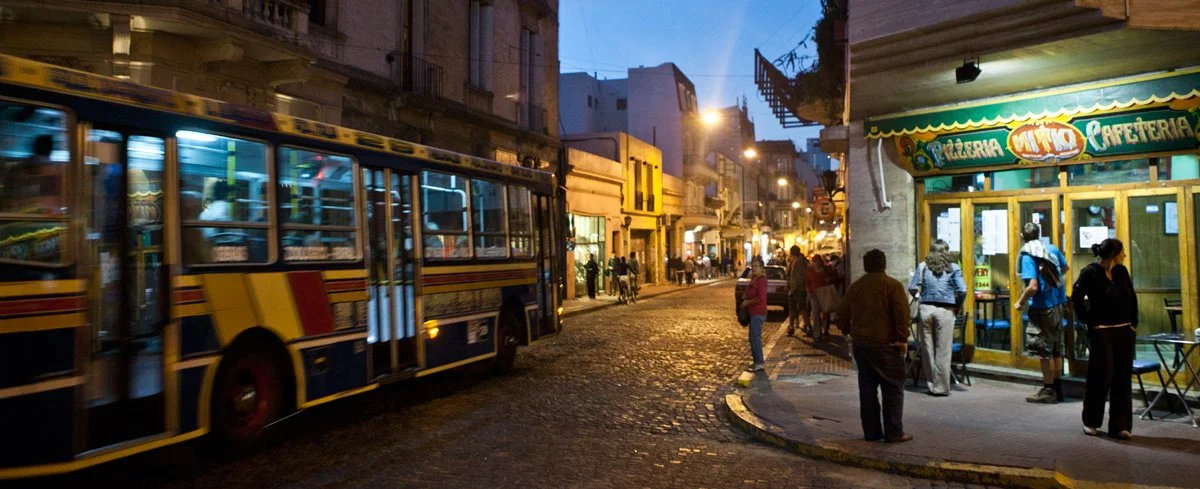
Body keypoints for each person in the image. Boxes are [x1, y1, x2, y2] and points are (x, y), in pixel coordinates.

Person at [836, 249, 913, 443]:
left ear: (865, 266)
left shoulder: (856, 287)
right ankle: (893, 432)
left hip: (861, 343)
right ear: (884, 264)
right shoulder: (892, 286)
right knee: (892, 388)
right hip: (886, 343)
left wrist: (848, 331)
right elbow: (902, 314)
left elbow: (841, 313)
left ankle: (871, 431)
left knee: (867, 389)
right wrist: (902, 339)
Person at [1073, 239, 1137, 439]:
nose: (1124, 255)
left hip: (1123, 331)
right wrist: (1088, 320)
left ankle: (1120, 425)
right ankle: (1091, 421)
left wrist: (1133, 324)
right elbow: (1076, 297)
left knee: (1122, 377)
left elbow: (1132, 298)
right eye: (1122, 252)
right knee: (1100, 376)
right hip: (1101, 332)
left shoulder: (1122, 273)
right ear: (1114, 254)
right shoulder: (1090, 272)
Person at [1016, 222, 1070, 404]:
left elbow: (1032, 287)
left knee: (1043, 349)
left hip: (1042, 308)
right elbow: (1065, 268)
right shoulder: (1051, 249)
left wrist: (1020, 302)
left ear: (1022, 236)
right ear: (1039, 234)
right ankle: (1058, 388)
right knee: (1056, 348)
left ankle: (1048, 390)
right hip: (1058, 304)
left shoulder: (1028, 255)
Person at [907, 239, 967, 397]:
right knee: (943, 350)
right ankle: (940, 387)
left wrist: (919, 296)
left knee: (927, 350)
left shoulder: (923, 266)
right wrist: (957, 305)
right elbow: (962, 290)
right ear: (946, 251)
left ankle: (931, 384)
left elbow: (912, 287)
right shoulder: (953, 267)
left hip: (926, 310)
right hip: (945, 310)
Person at [740, 260, 769, 372]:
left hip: (758, 312)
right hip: (753, 312)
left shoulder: (761, 280)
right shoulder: (754, 279)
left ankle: (760, 363)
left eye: (757, 266)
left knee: (755, 338)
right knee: (752, 337)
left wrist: (748, 302)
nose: (754, 268)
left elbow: (761, 298)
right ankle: (756, 361)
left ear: (762, 268)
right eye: (753, 266)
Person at [786, 246, 808, 337]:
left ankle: (807, 326)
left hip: (798, 289)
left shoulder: (798, 262)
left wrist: (794, 288)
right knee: (793, 309)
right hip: (796, 289)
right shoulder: (795, 262)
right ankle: (791, 326)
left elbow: (799, 277)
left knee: (801, 308)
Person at [806, 255, 830, 338]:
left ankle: (825, 329)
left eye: (818, 261)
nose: (817, 263)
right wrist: (809, 293)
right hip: (814, 294)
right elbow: (807, 282)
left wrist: (828, 280)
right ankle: (817, 332)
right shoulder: (810, 271)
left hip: (824, 293)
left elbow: (832, 279)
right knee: (815, 314)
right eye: (815, 261)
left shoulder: (826, 270)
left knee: (825, 312)